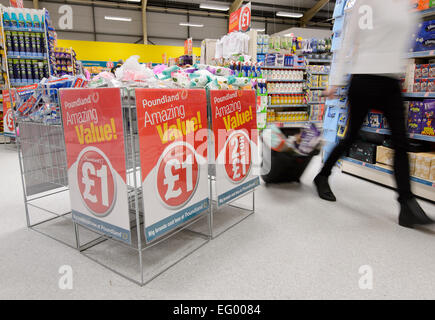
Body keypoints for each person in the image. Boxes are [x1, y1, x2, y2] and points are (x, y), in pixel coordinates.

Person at [314, 0, 433, 228]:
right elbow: (348, 43)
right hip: (364, 78)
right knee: (351, 137)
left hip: (390, 80)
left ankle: (407, 204)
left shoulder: (404, 5)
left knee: (400, 141)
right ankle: (322, 176)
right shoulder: (366, 3)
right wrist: (335, 82)